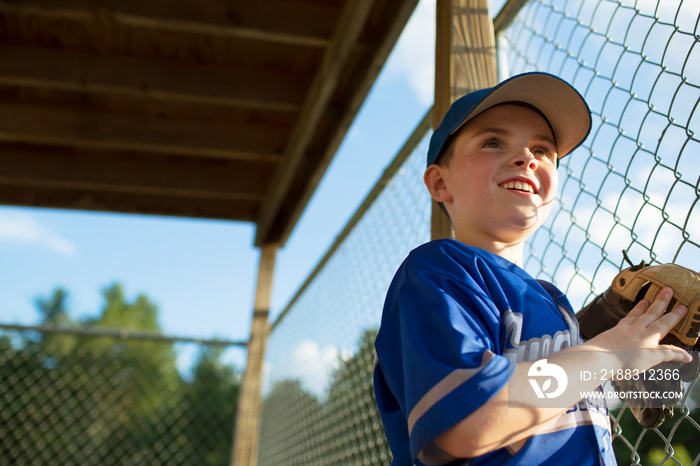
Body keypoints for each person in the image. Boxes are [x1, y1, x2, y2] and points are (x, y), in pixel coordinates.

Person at [372, 72, 691, 465]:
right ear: (440, 183)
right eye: (493, 142)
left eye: (542, 150)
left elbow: (580, 396)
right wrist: (608, 353)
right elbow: (471, 418)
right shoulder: (436, 275)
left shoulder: (554, 303)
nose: (526, 157)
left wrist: (661, 360)